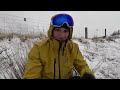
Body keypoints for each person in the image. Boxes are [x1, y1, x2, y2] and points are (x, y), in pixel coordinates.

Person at [22, 13, 95, 79]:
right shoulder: (38, 49)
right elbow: (31, 76)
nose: (62, 35)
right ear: (51, 30)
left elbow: (82, 66)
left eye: (65, 31)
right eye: (58, 30)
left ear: (70, 33)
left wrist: (88, 75)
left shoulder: (73, 48)